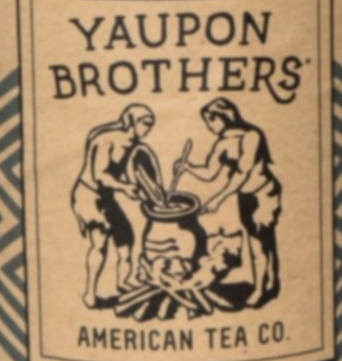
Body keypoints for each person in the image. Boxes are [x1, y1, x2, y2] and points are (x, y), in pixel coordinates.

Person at [176, 98, 282, 307]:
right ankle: (269, 282)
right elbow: (209, 173)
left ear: (224, 117)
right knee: (259, 241)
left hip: (263, 193)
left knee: (260, 243)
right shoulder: (222, 143)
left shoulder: (251, 136)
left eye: (211, 120)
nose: (209, 126)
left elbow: (243, 172)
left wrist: (218, 199)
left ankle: (261, 289)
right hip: (244, 196)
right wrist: (187, 167)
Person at [72, 104, 156, 308]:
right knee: (100, 243)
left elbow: (134, 173)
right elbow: (99, 175)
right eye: (145, 123)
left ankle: (123, 282)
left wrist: (143, 191)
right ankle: (90, 293)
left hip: (106, 198)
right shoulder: (106, 140)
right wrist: (125, 188)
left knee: (126, 239)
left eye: (151, 124)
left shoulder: (134, 145)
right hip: (88, 196)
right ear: (131, 122)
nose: (149, 128)